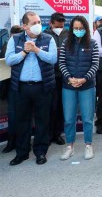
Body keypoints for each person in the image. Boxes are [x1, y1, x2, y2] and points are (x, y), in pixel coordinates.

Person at [6, 11, 57, 166]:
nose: (38, 25)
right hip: (21, 88)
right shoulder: (15, 39)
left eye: (39, 22)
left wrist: (36, 50)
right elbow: (9, 60)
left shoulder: (48, 39)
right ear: (25, 26)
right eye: (34, 23)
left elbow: (53, 58)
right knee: (22, 121)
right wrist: (24, 52)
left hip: (42, 87)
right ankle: (22, 153)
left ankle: (40, 152)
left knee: (42, 120)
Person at [58, 16, 99, 160]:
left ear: (86, 29)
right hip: (68, 86)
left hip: (87, 86)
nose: (78, 31)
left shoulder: (92, 44)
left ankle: (88, 145)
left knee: (87, 118)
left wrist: (83, 79)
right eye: (75, 28)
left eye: (81, 28)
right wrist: (70, 79)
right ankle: (70, 146)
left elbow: (95, 65)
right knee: (69, 119)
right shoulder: (65, 44)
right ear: (71, 29)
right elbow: (61, 63)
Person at [44, 12, 68, 146]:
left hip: (63, 77)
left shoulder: (67, 34)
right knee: (49, 107)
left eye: (62, 25)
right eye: (57, 26)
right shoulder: (45, 36)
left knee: (60, 107)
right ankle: (48, 134)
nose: (60, 28)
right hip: (49, 75)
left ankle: (57, 134)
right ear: (51, 24)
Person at [1, 25, 23, 153]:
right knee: (13, 115)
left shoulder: (26, 46)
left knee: (24, 115)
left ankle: (22, 141)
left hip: (24, 83)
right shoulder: (6, 46)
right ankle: (12, 141)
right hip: (11, 85)